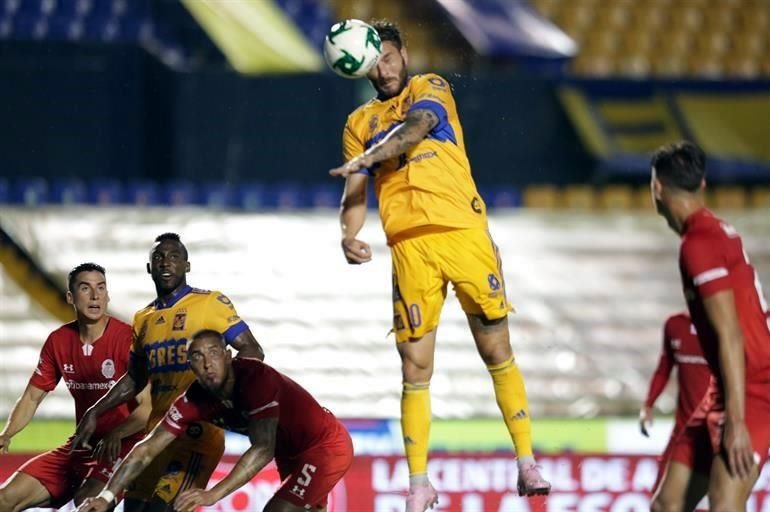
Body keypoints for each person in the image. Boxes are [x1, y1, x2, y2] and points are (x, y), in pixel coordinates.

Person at [329, 19, 550, 510]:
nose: (384, 69)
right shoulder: (358, 123)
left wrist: (372, 156)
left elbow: (417, 128)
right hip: (408, 247)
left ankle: (526, 460)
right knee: (414, 366)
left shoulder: (431, 87)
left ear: (403, 53)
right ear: (360, 64)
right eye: (375, 61)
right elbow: (356, 191)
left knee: (496, 348)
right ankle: (418, 483)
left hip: (462, 233)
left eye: (390, 57)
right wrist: (349, 234)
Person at [73, 233, 265, 511]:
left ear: (187, 265)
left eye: (174, 257)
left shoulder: (211, 303)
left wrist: (224, 393)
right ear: (149, 268)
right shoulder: (143, 318)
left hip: (197, 435)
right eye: (159, 258)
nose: (166, 263)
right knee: (135, 509)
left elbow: (252, 351)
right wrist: (95, 411)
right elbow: (135, 378)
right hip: (155, 437)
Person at [76, 329, 353, 512]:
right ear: (190, 365)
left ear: (228, 356)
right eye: (197, 357)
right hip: (291, 452)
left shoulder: (257, 380)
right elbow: (148, 447)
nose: (207, 363)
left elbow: (263, 448)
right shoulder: (194, 398)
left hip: (324, 447)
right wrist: (106, 496)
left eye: (213, 353)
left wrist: (212, 495)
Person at [649, 140, 770, 512]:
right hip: (728, 385)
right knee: (668, 505)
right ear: (701, 185)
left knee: (724, 503)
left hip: (753, 387)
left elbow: (730, 334)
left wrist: (734, 421)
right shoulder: (713, 231)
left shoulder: (698, 244)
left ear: (656, 188)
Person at [0, 262, 151, 511]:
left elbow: (146, 410)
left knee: (87, 505)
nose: (95, 296)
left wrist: (117, 433)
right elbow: (31, 398)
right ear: (70, 296)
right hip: (81, 445)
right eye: (86, 288)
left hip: (122, 446)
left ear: (108, 294)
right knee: (5, 499)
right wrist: (7, 434)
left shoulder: (129, 339)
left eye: (101, 288)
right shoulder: (58, 341)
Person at [639, 312, 711, 505]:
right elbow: (664, 368)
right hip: (682, 432)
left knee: (721, 501)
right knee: (660, 503)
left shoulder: (728, 324)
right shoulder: (675, 325)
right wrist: (648, 403)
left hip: (715, 432)